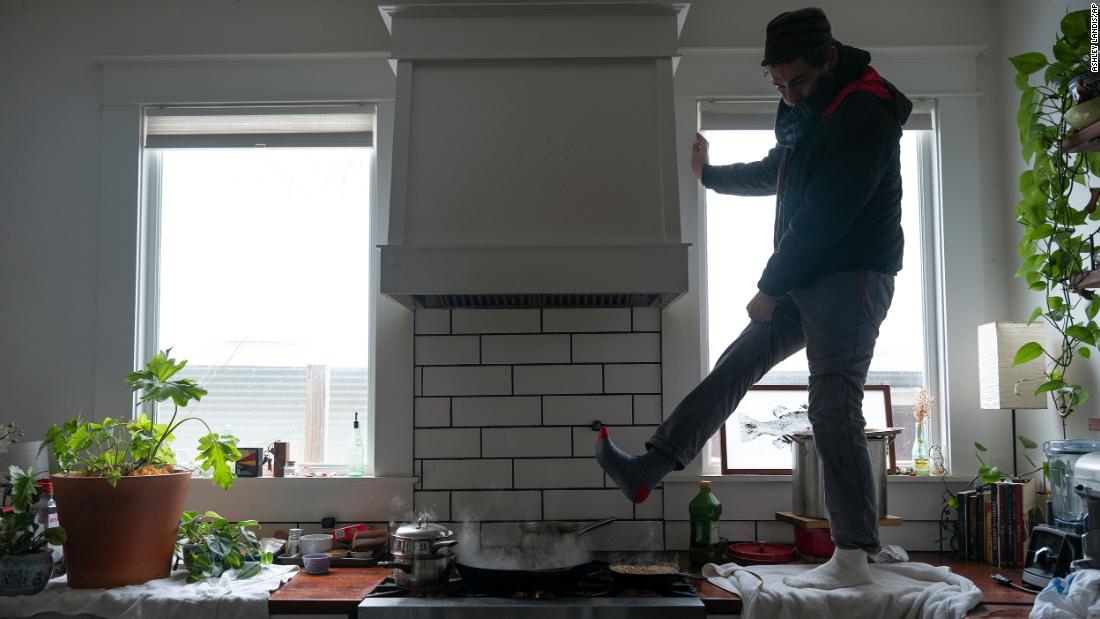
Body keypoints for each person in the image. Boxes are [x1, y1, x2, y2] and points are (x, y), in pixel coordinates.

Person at [595, 7, 912, 589]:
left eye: (799, 82)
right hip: (808, 273)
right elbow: (780, 171)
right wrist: (711, 176)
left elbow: (825, 216)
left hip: (850, 275)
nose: (788, 96)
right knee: (737, 362)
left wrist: (769, 285)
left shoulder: (864, 113)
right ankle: (650, 467)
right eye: (779, 84)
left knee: (832, 403)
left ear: (830, 59)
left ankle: (853, 553)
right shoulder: (809, 111)